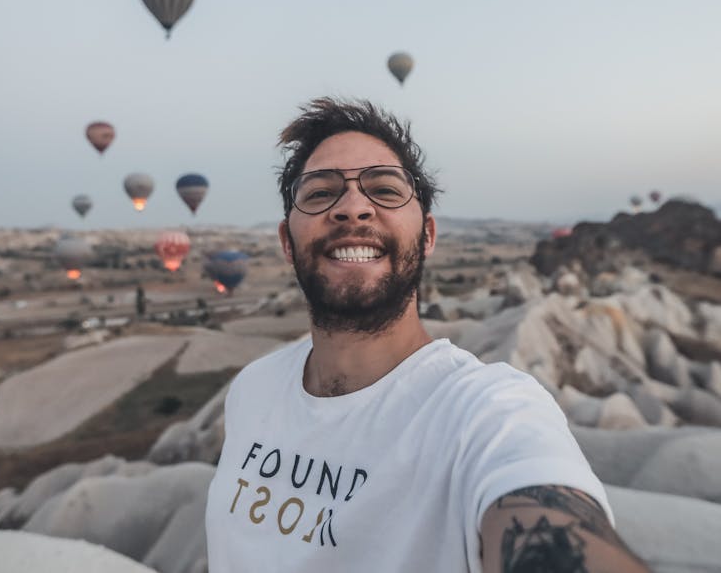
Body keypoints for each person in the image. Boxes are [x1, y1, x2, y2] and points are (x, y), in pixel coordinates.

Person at [205, 97, 649, 572]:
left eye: (385, 189)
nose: (353, 208)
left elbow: (545, 514)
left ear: (429, 235)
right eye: (319, 193)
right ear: (287, 243)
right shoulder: (253, 389)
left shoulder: (486, 413)